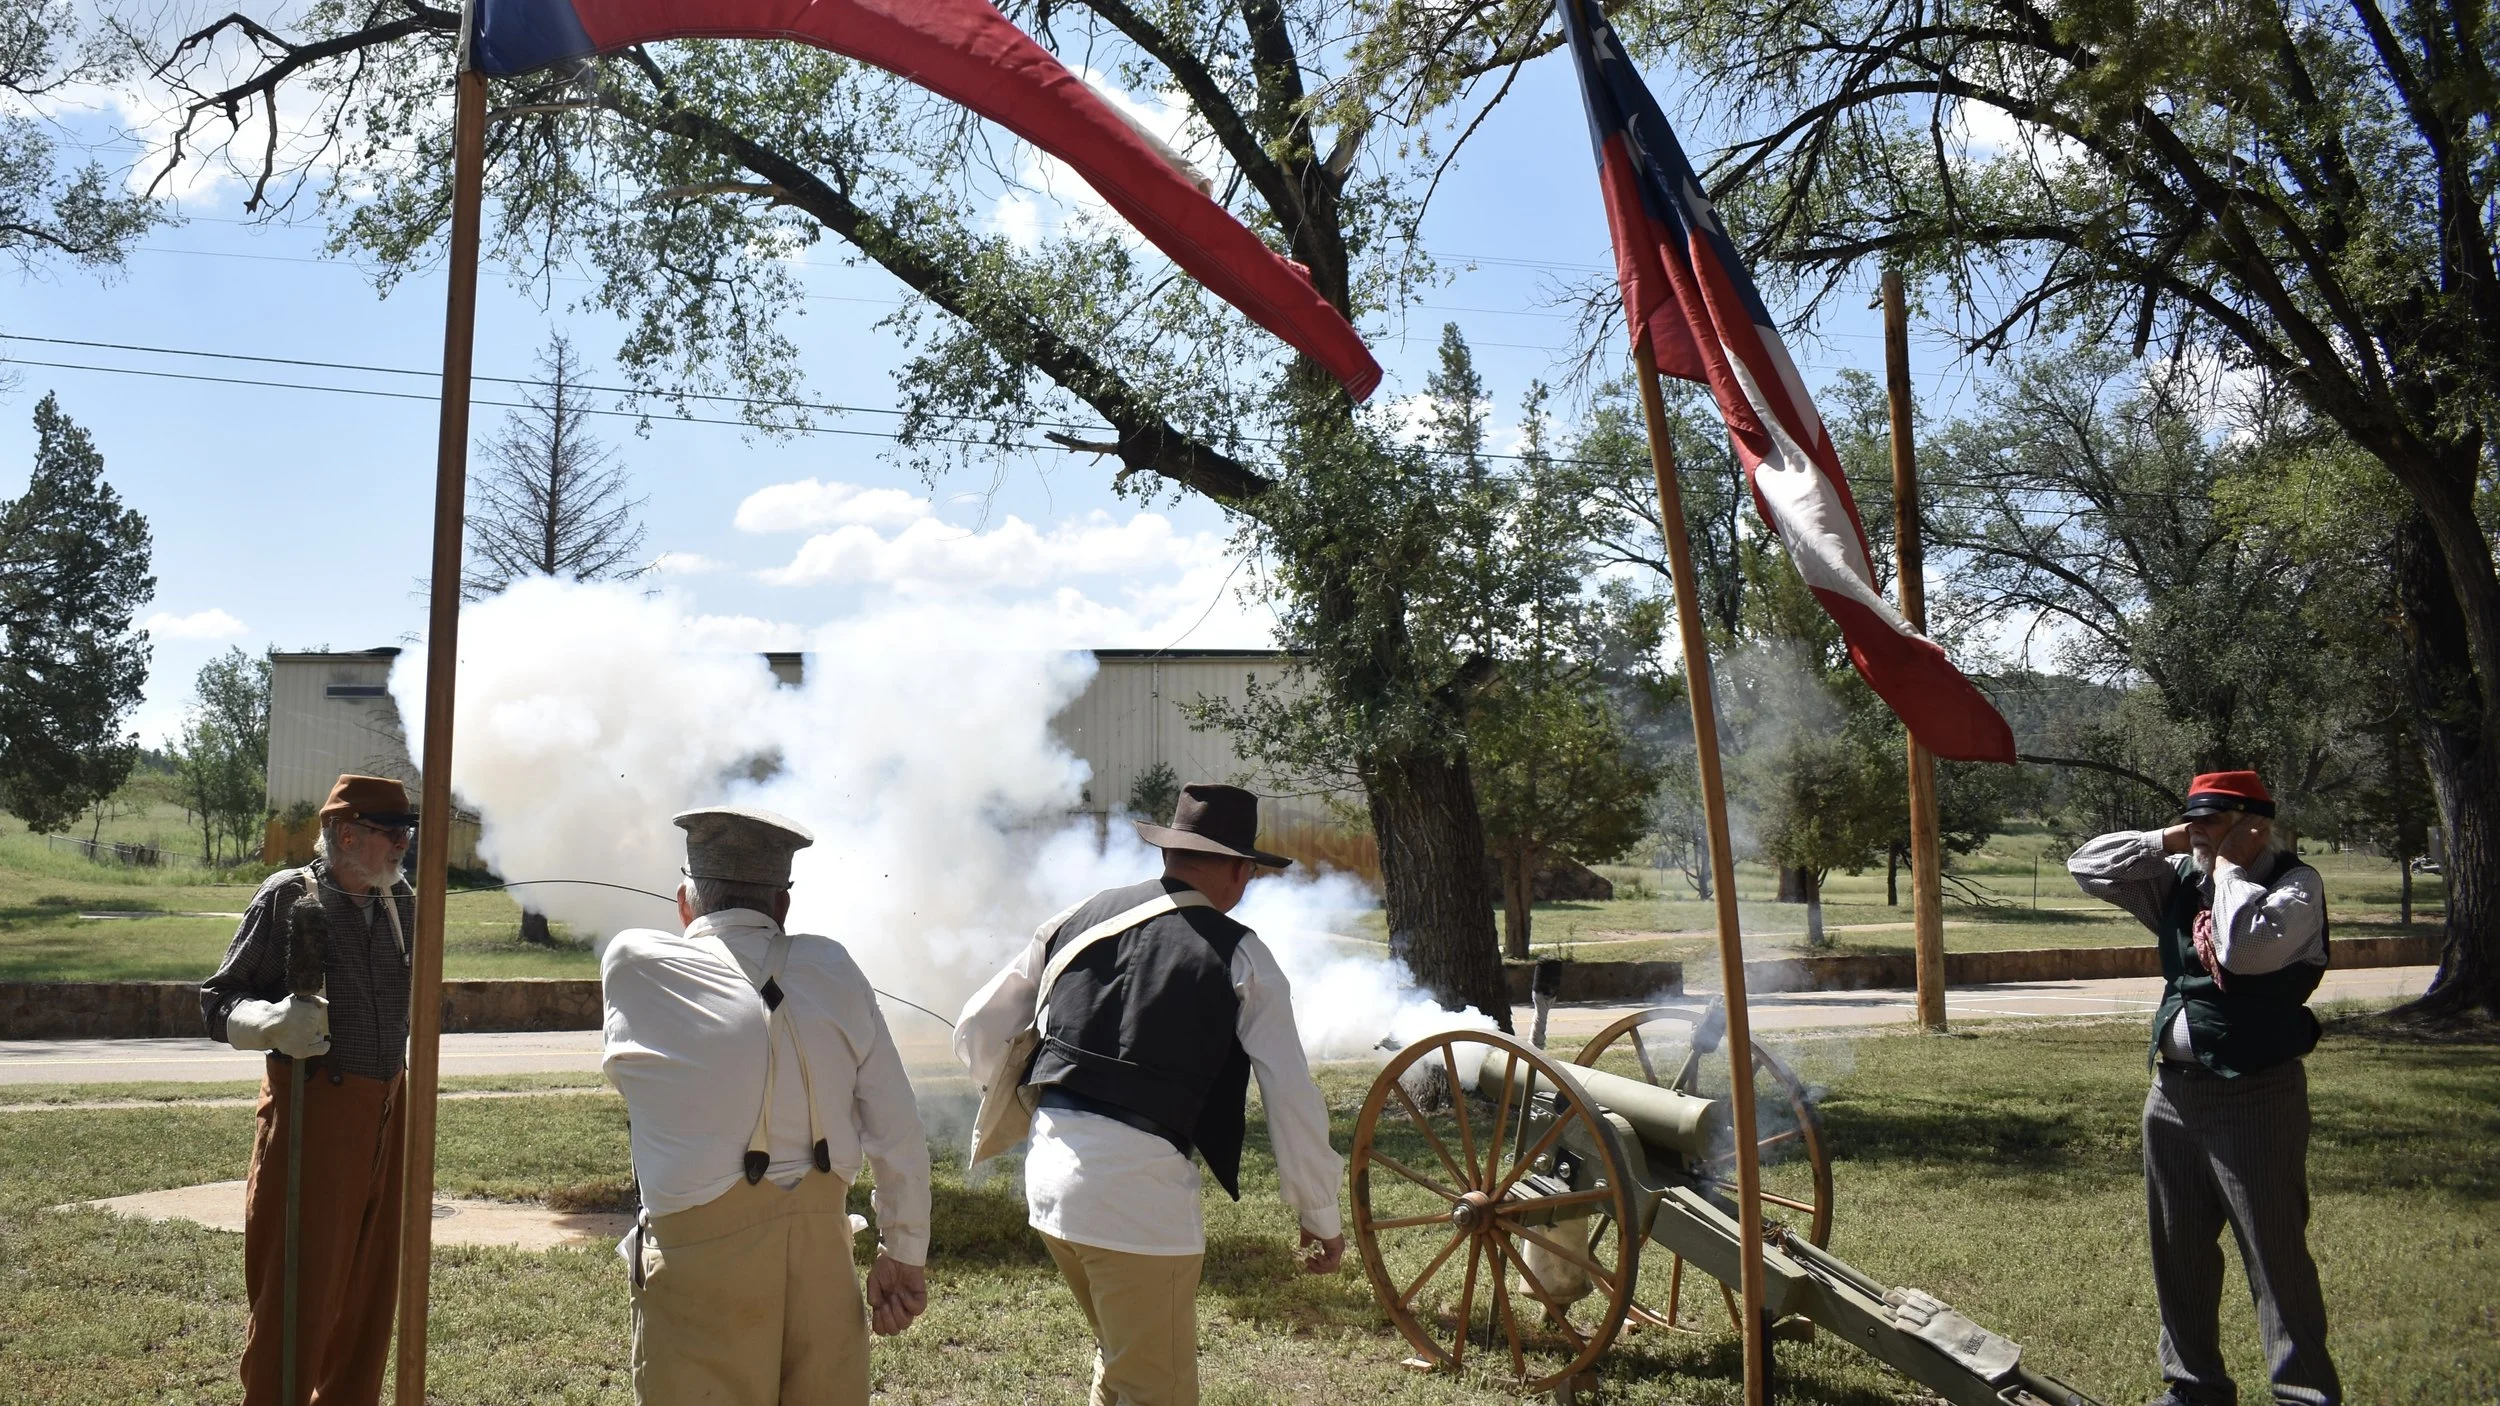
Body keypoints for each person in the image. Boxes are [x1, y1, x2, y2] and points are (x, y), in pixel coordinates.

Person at [956, 782, 1344, 1406]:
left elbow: (976, 1029)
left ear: (1169, 854)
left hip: (1051, 1182)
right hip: (1134, 1206)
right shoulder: (1242, 954)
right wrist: (1319, 1213)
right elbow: (1291, 1097)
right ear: (1242, 871)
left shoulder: (1074, 920)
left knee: (1124, 1367)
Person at [601, 804, 932, 1405]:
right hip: (823, 1257)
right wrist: (903, 1251)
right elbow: (897, 1125)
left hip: (699, 1265)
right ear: (783, 905)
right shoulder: (833, 965)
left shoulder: (633, 961)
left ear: (685, 902)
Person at [2067, 770, 2341, 1406]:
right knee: (2179, 1249)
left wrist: (2232, 869)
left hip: (2255, 1093)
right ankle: (2194, 1389)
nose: (2199, 833)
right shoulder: (2181, 872)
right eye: (2192, 818)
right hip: (2172, 1092)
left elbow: (2242, 951)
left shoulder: (2296, 886)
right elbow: (2087, 866)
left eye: (2211, 820)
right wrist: (2172, 837)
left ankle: (2304, 1395)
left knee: (2274, 1255)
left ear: (2256, 825)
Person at [200, 773, 418, 1405]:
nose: (403, 846)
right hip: (314, 1111)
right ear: (347, 835)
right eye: (392, 833)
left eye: (406, 832)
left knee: (370, 1293)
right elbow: (216, 1004)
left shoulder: (400, 901)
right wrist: (270, 1022)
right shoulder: (289, 896)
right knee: (299, 1291)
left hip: (389, 1110)